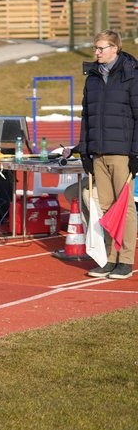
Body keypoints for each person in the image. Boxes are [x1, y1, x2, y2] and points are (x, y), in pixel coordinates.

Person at [78, 30, 138, 280]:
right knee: (105, 207)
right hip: (98, 152)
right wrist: (84, 151)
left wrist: (135, 153)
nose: (97, 52)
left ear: (115, 48)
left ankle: (125, 260)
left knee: (124, 207)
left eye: (101, 48)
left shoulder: (131, 75)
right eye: (95, 48)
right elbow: (86, 117)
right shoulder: (92, 78)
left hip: (122, 151)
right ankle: (109, 259)